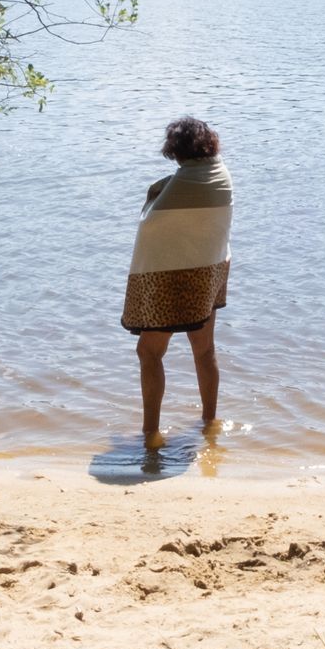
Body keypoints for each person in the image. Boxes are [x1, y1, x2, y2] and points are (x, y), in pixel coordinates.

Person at [122, 116, 231, 442]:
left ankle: (150, 433)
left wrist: (157, 192)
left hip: (171, 277)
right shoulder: (220, 174)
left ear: (176, 150)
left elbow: (151, 222)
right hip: (209, 270)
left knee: (149, 353)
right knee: (205, 350)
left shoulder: (183, 182)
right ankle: (210, 425)